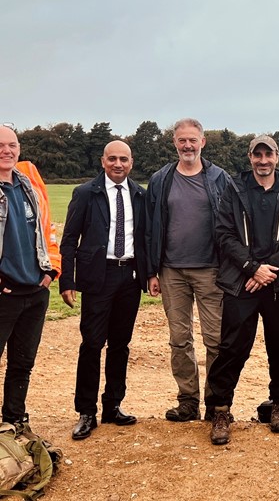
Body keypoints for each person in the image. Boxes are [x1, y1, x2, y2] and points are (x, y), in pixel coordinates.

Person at [206, 135, 279, 445]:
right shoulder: (233, 188)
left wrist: (267, 271)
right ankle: (220, 409)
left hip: (277, 283)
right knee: (232, 347)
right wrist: (251, 268)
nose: (263, 160)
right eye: (257, 155)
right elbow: (224, 234)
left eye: (268, 154)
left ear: (277, 157)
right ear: (249, 157)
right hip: (241, 281)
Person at [60, 140, 148, 440]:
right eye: (112, 159)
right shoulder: (86, 193)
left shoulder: (139, 194)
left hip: (130, 277)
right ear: (103, 161)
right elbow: (70, 239)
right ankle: (87, 411)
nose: (118, 164)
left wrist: (149, 275)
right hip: (99, 276)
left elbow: (145, 239)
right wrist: (67, 281)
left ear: (131, 162)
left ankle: (113, 405)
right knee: (92, 344)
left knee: (121, 344)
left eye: (123, 159)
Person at [145, 118, 232, 422]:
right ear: (174, 143)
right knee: (179, 339)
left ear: (202, 142)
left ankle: (216, 402)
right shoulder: (160, 179)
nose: (187, 145)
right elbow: (150, 227)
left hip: (211, 270)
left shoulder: (220, 178)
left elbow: (232, 223)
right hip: (171, 272)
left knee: (216, 340)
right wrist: (151, 271)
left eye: (193, 140)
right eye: (182, 140)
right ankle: (188, 401)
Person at [0, 125, 61, 430]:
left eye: (11, 145)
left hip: (35, 291)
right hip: (3, 293)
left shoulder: (28, 186)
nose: (6, 151)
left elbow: (47, 231)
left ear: (19, 149)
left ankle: (13, 423)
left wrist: (50, 274)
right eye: (0, 145)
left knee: (22, 364)